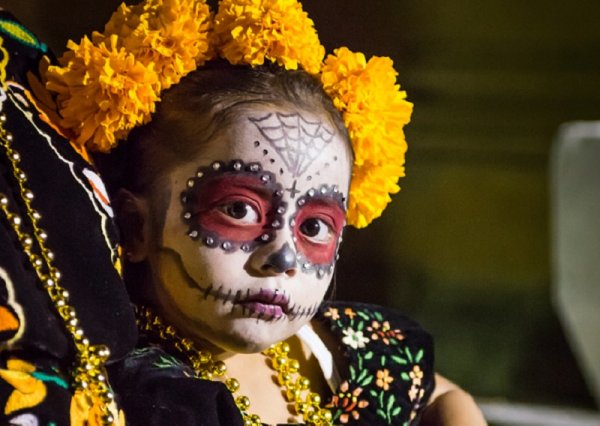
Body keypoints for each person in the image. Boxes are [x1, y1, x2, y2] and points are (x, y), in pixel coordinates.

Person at [43, 0, 487, 424]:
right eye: (240, 209)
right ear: (135, 227)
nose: (283, 257)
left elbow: (444, 395)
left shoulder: (326, 347)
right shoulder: (151, 396)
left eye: (313, 225)